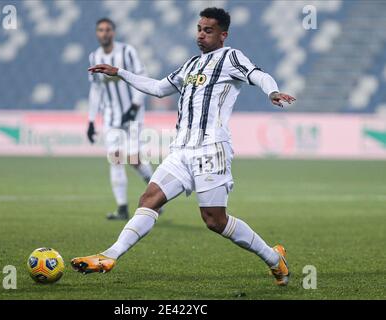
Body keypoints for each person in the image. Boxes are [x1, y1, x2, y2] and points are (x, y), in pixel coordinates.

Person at [73, 8, 296, 286]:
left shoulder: (231, 57)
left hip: (211, 149)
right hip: (181, 150)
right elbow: (157, 87)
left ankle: (274, 259)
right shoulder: (190, 65)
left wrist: (272, 91)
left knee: (215, 221)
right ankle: (110, 255)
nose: (201, 35)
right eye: (200, 29)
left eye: (209, 30)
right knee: (149, 199)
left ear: (223, 34)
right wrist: (120, 72)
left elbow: (258, 75)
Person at [87, 18, 155, 220]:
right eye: (100, 30)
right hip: (111, 116)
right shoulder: (94, 56)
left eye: (108, 29)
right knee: (115, 158)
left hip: (133, 114)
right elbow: (96, 89)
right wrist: (91, 120)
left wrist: (134, 105)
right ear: (97, 33)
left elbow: (142, 77)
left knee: (134, 160)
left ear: (113, 32)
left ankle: (157, 195)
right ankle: (122, 208)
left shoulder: (127, 52)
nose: (104, 33)